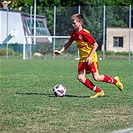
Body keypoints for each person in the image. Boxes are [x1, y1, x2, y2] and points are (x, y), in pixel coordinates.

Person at [53, 14, 123, 98]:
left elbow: (95, 44)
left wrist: (90, 56)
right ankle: (99, 91)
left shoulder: (84, 33)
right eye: (72, 23)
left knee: (96, 78)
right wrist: (60, 51)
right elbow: (69, 42)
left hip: (91, 57)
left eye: (74, 23)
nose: (73, 25)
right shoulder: (74, 33)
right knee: (80, 77)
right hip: (83, 58)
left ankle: (115, 81)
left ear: (80, 23)